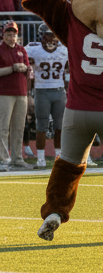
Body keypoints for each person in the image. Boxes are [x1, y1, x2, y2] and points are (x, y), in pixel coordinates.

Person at [26, 27, 67, 168]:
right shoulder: (34, 49)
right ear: (42, 36)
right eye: (48, 35)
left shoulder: (64, 50)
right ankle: (41, 159)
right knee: (41, 126)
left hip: (59, 90)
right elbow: (21, 56)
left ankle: (59, 157)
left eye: (53, 35)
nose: (51, 39)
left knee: (59, 125)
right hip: (41, 90)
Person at [0, 21, 31, 170]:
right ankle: (3, 159)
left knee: (18, 127)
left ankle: (17, 158)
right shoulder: (0, 49)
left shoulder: (22, 50)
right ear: (3, 34)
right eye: (8, 34)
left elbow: (28, 71)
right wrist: (11, 69)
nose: (11, 37)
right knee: (3, 127)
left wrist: (26, 69)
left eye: (14, 34)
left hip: (21, 92)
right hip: (4, 93)